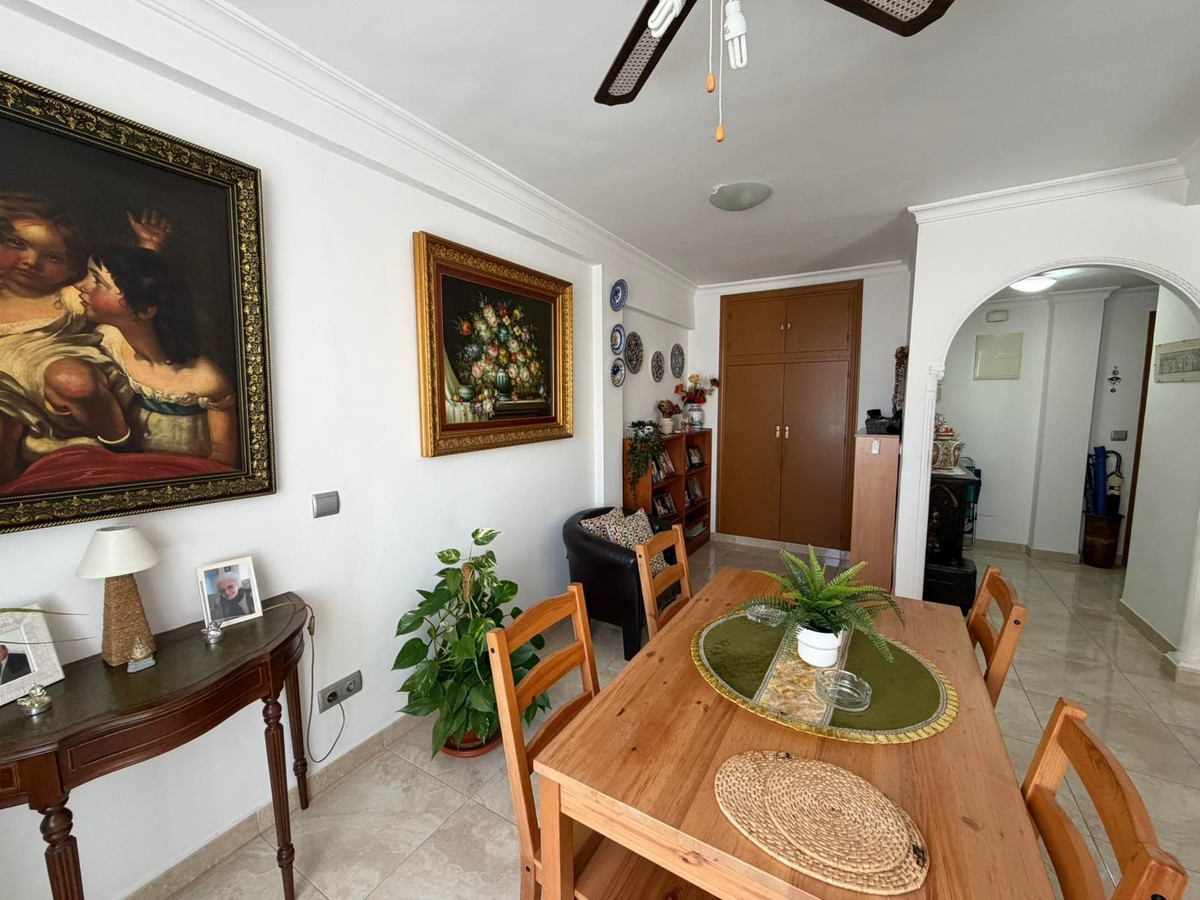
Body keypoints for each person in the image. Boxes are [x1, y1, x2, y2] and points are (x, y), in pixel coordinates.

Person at [58, 246, 238, 465]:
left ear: (144, 310)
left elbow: (223, 457)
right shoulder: (108, 340)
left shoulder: (207, 381)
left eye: (97, 281)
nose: (80, 285)